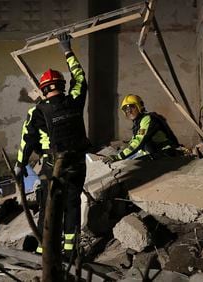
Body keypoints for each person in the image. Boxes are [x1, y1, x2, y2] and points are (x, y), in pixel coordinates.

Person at [14, 32, 90, 255]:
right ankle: (70, 251)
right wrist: (67, 50)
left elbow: (26, 141)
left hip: (52, 167)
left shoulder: (36, 111)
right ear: (62, 85)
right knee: (72, 204)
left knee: (49, 207)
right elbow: (80, 77)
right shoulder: (75, 99)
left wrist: (20, 165)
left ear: (44, 88)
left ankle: (44, 248)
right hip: (77, 163)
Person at [103, 94, 179, 163]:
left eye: (132, 107)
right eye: (125, 109)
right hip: (155, 150)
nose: (129, 111)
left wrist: (118, 156)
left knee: (129, 162)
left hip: (164, 152)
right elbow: (135, 139)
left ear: (140, 106)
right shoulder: (138, 121)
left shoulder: (148, 119)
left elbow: (139, 141)